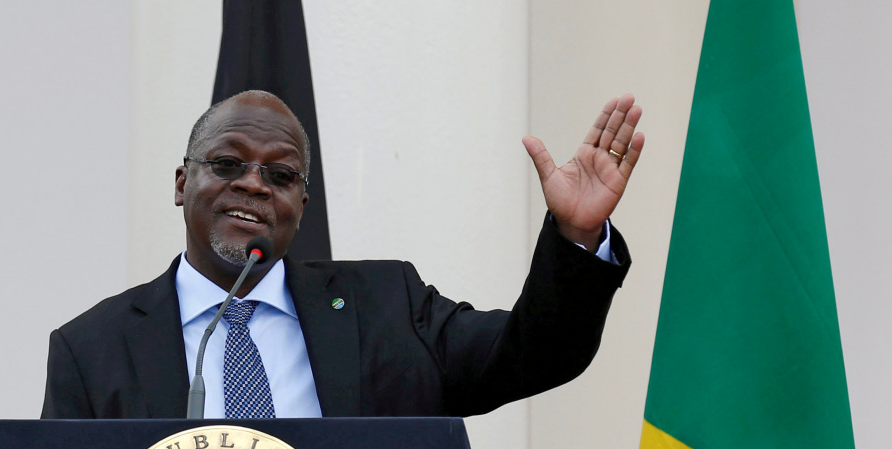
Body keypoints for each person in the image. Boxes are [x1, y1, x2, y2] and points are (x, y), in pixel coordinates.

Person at [42, 90, 643, 420]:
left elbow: (535, 355)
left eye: (279, 175)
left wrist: (575, 238)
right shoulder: (92, 349)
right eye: (227, 164)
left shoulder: (387, 307)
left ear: (301, 205)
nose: (253, 185)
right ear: (181, 183)